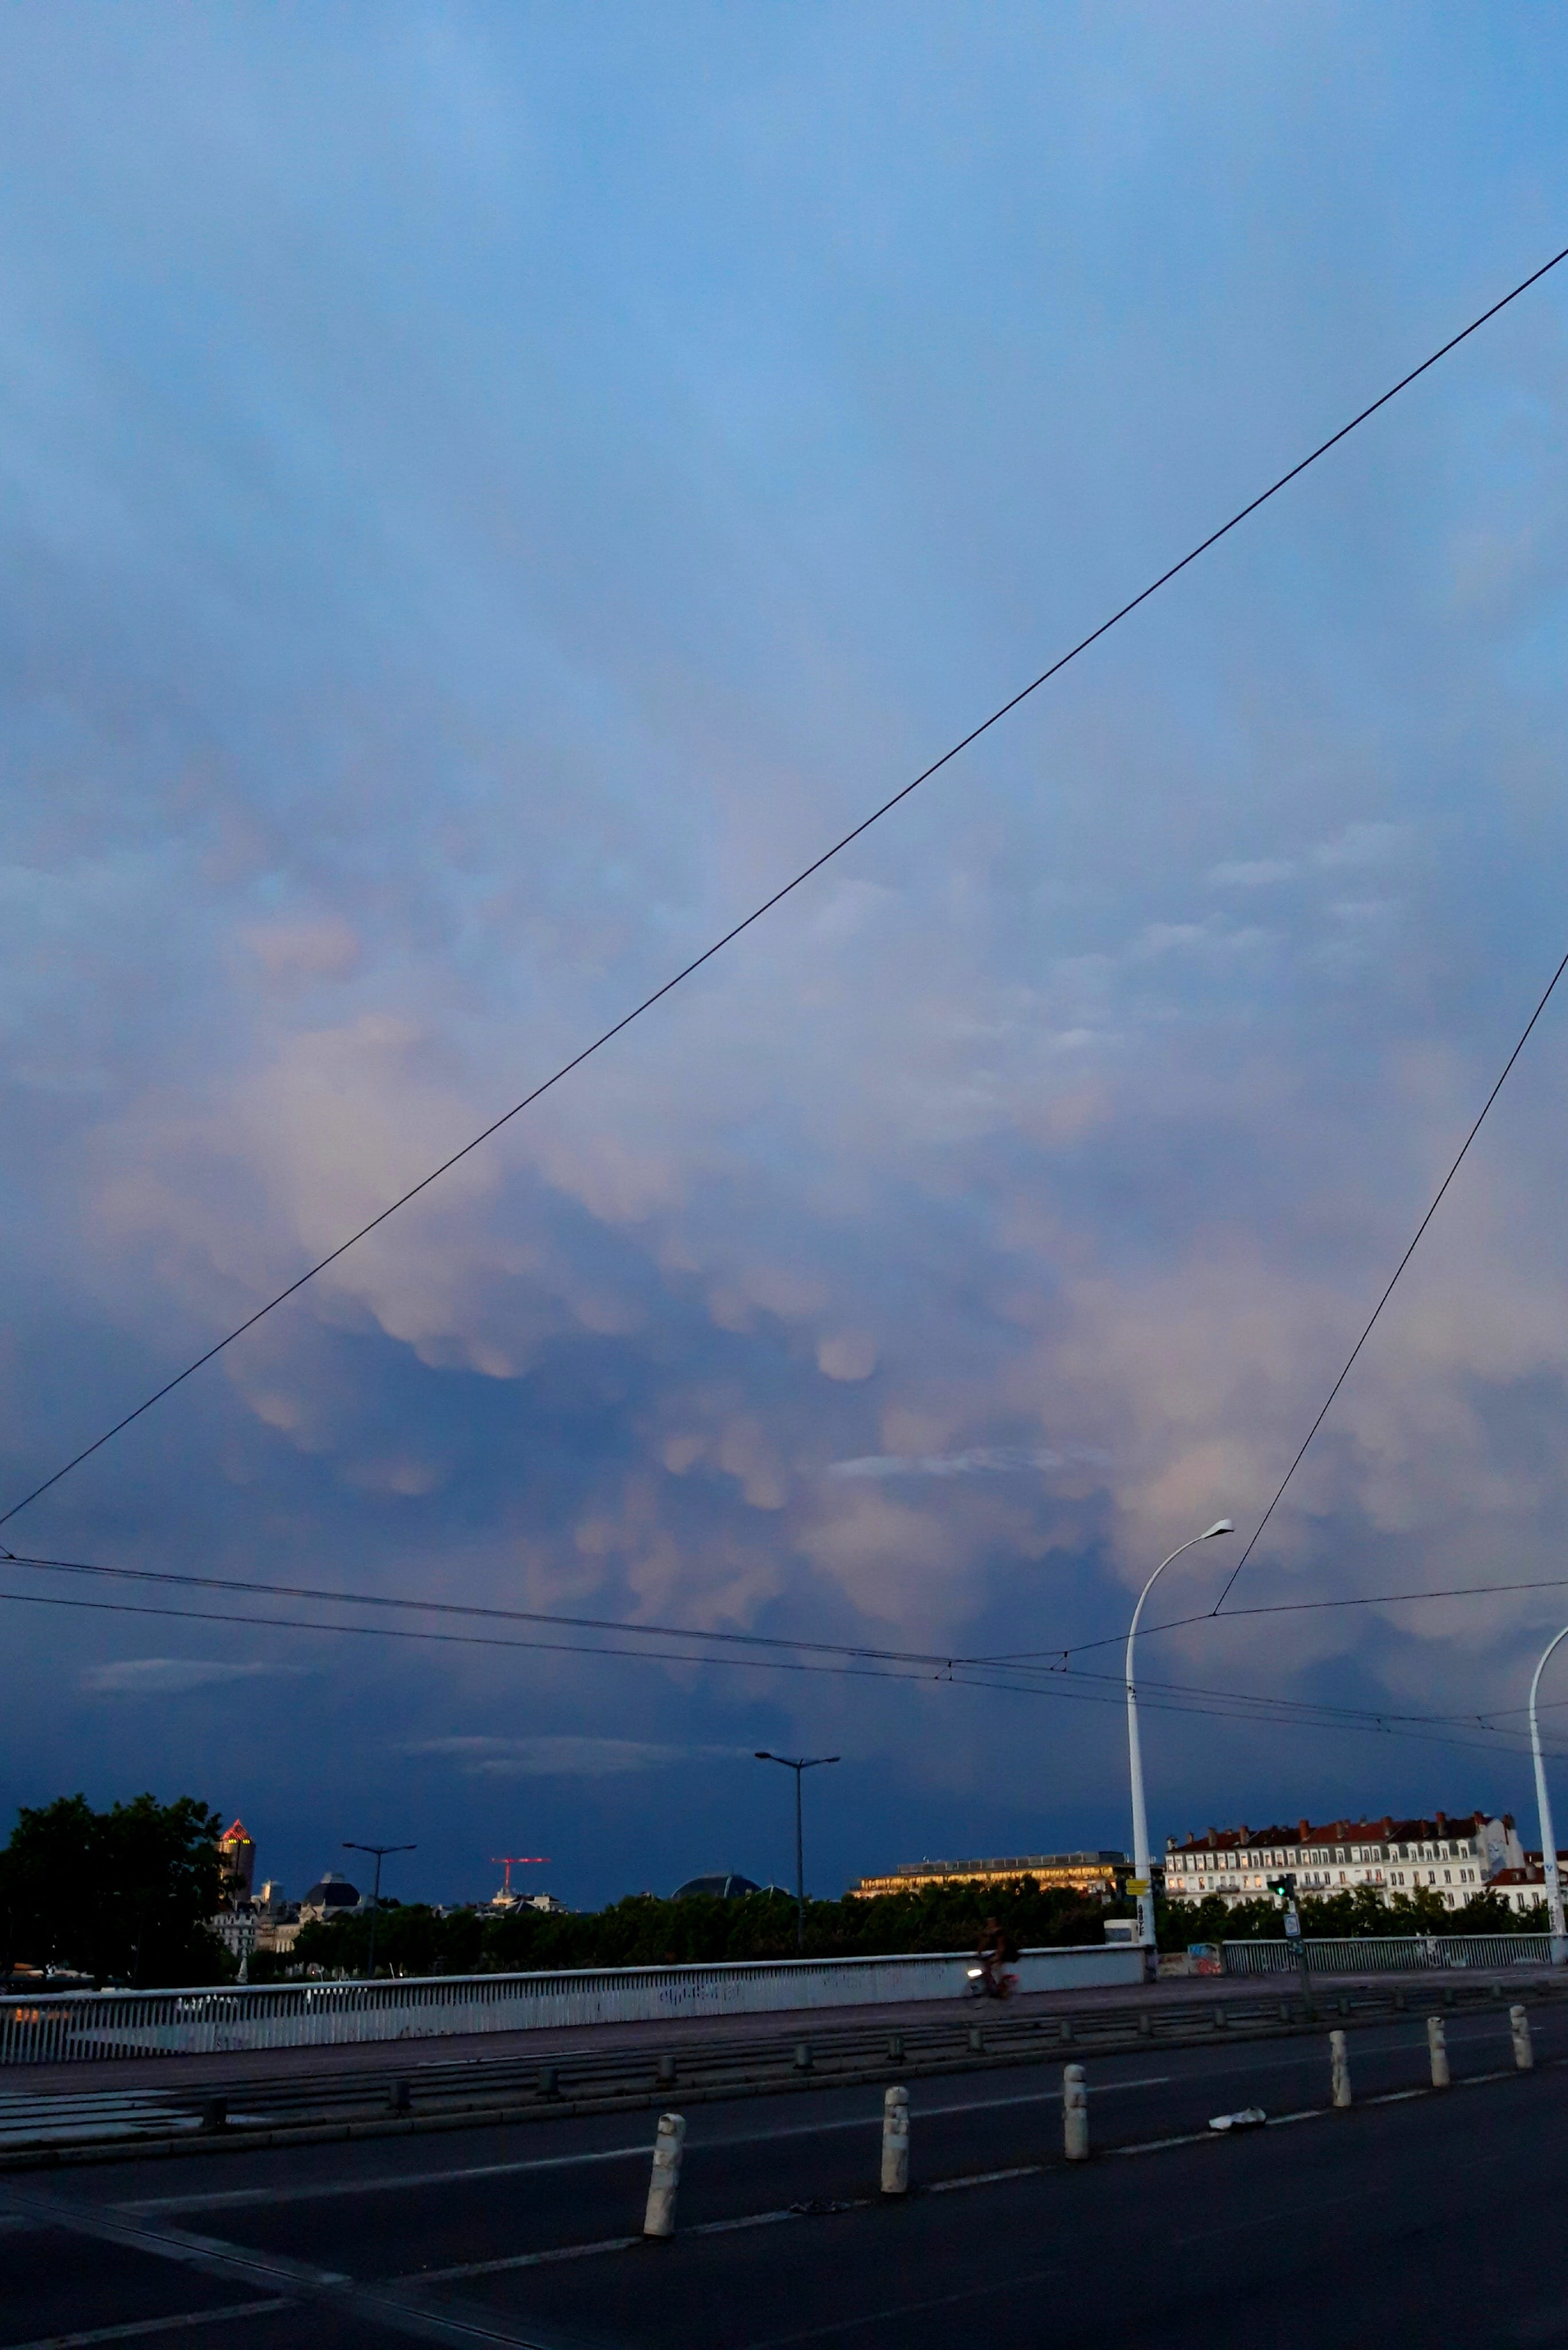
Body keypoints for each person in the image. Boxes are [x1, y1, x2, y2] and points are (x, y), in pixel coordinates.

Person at [975, 1915, 1017, 1999]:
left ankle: (1004, 1990)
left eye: (992, 1921)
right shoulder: (988, 1931)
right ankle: (991, 1987)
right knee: (987, 1965)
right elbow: (984, 1943)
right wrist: (979, 1953)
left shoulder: (999, 1931)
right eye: (989, 1921)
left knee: (997, 1966)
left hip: (1008, 1951)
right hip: (998, 1951)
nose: (990, 1923)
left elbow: (1002, 1946)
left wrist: (998, 1957)